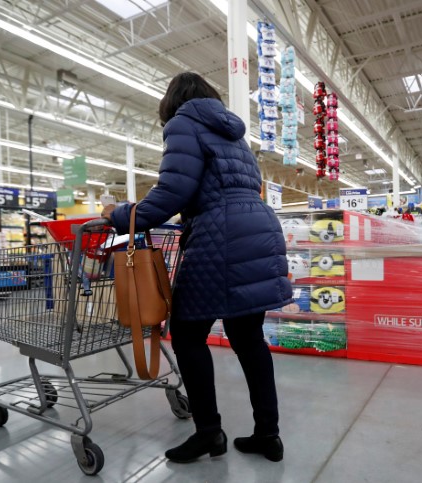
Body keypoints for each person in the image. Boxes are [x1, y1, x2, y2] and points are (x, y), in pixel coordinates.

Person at [102, 72, 292, 464]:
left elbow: (173, 192)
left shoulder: (182, 125)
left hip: (220, 236)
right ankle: (268, 435)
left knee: (188, 336)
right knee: (249, 338)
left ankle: (208, 434)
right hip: (258, 228)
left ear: (171, 103)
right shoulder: (234, 134)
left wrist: (118, 215)